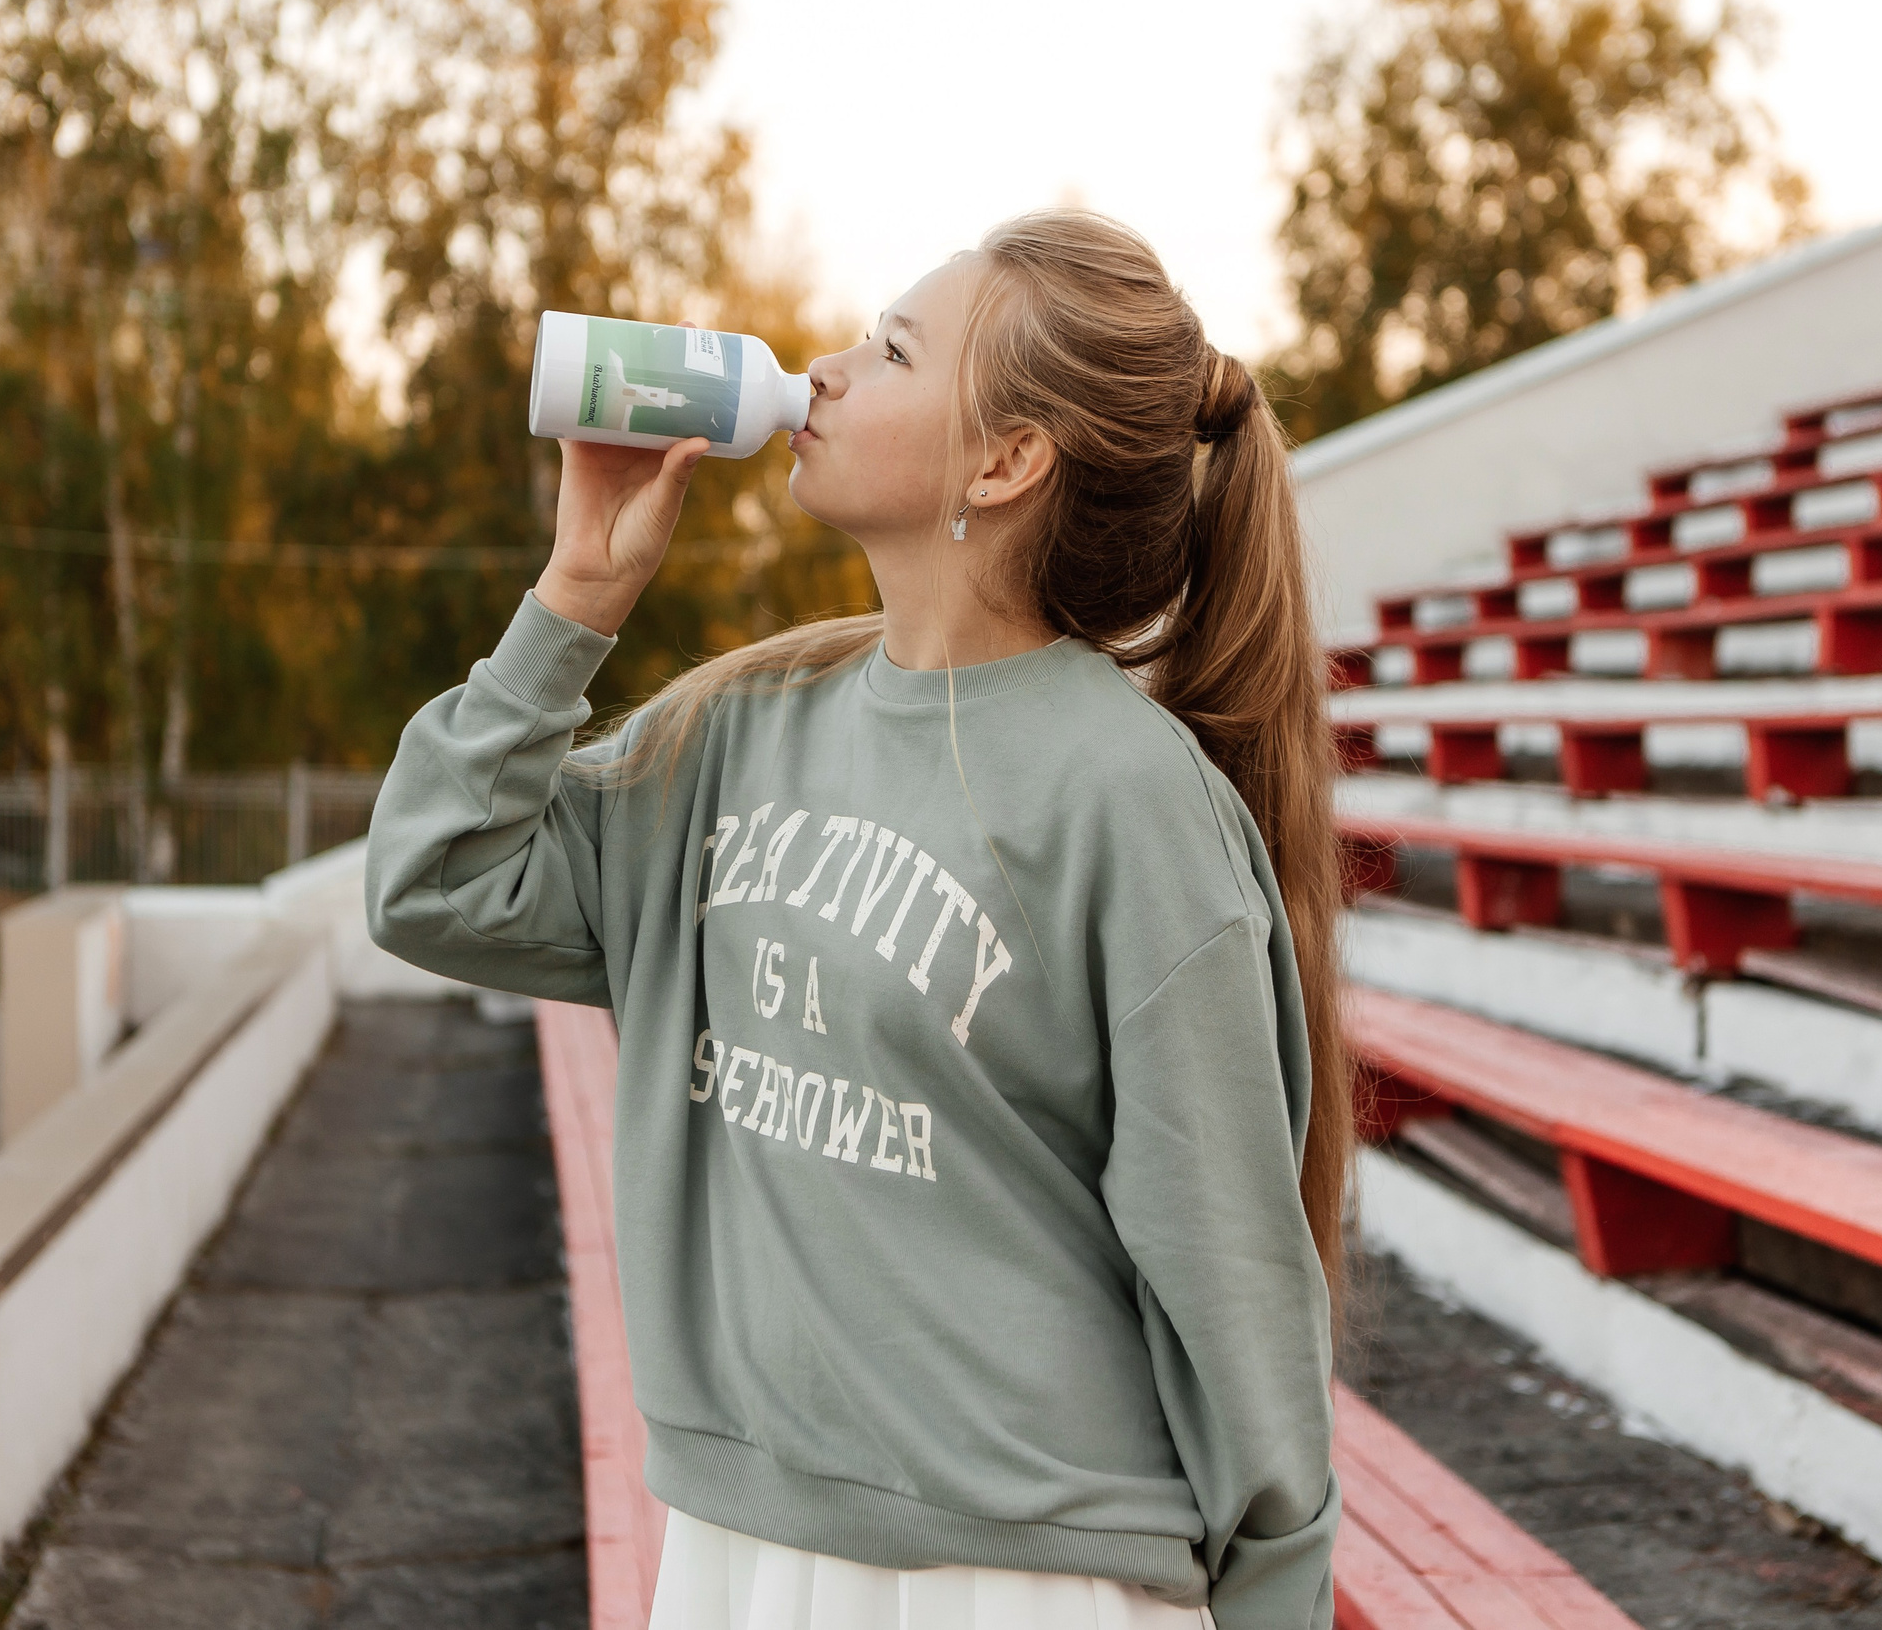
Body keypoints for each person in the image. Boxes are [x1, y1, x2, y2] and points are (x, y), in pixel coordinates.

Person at [366, 209, 1348, 1630]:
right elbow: (435, 880)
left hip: (1022, 1581)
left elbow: (1232, 1272)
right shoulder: (738, 730)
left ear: (1005, 462)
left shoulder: (1131, 803)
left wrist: (1277, 1599)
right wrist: (579, 593)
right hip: (743, 1549)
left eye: (890, 350)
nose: (822, 369)